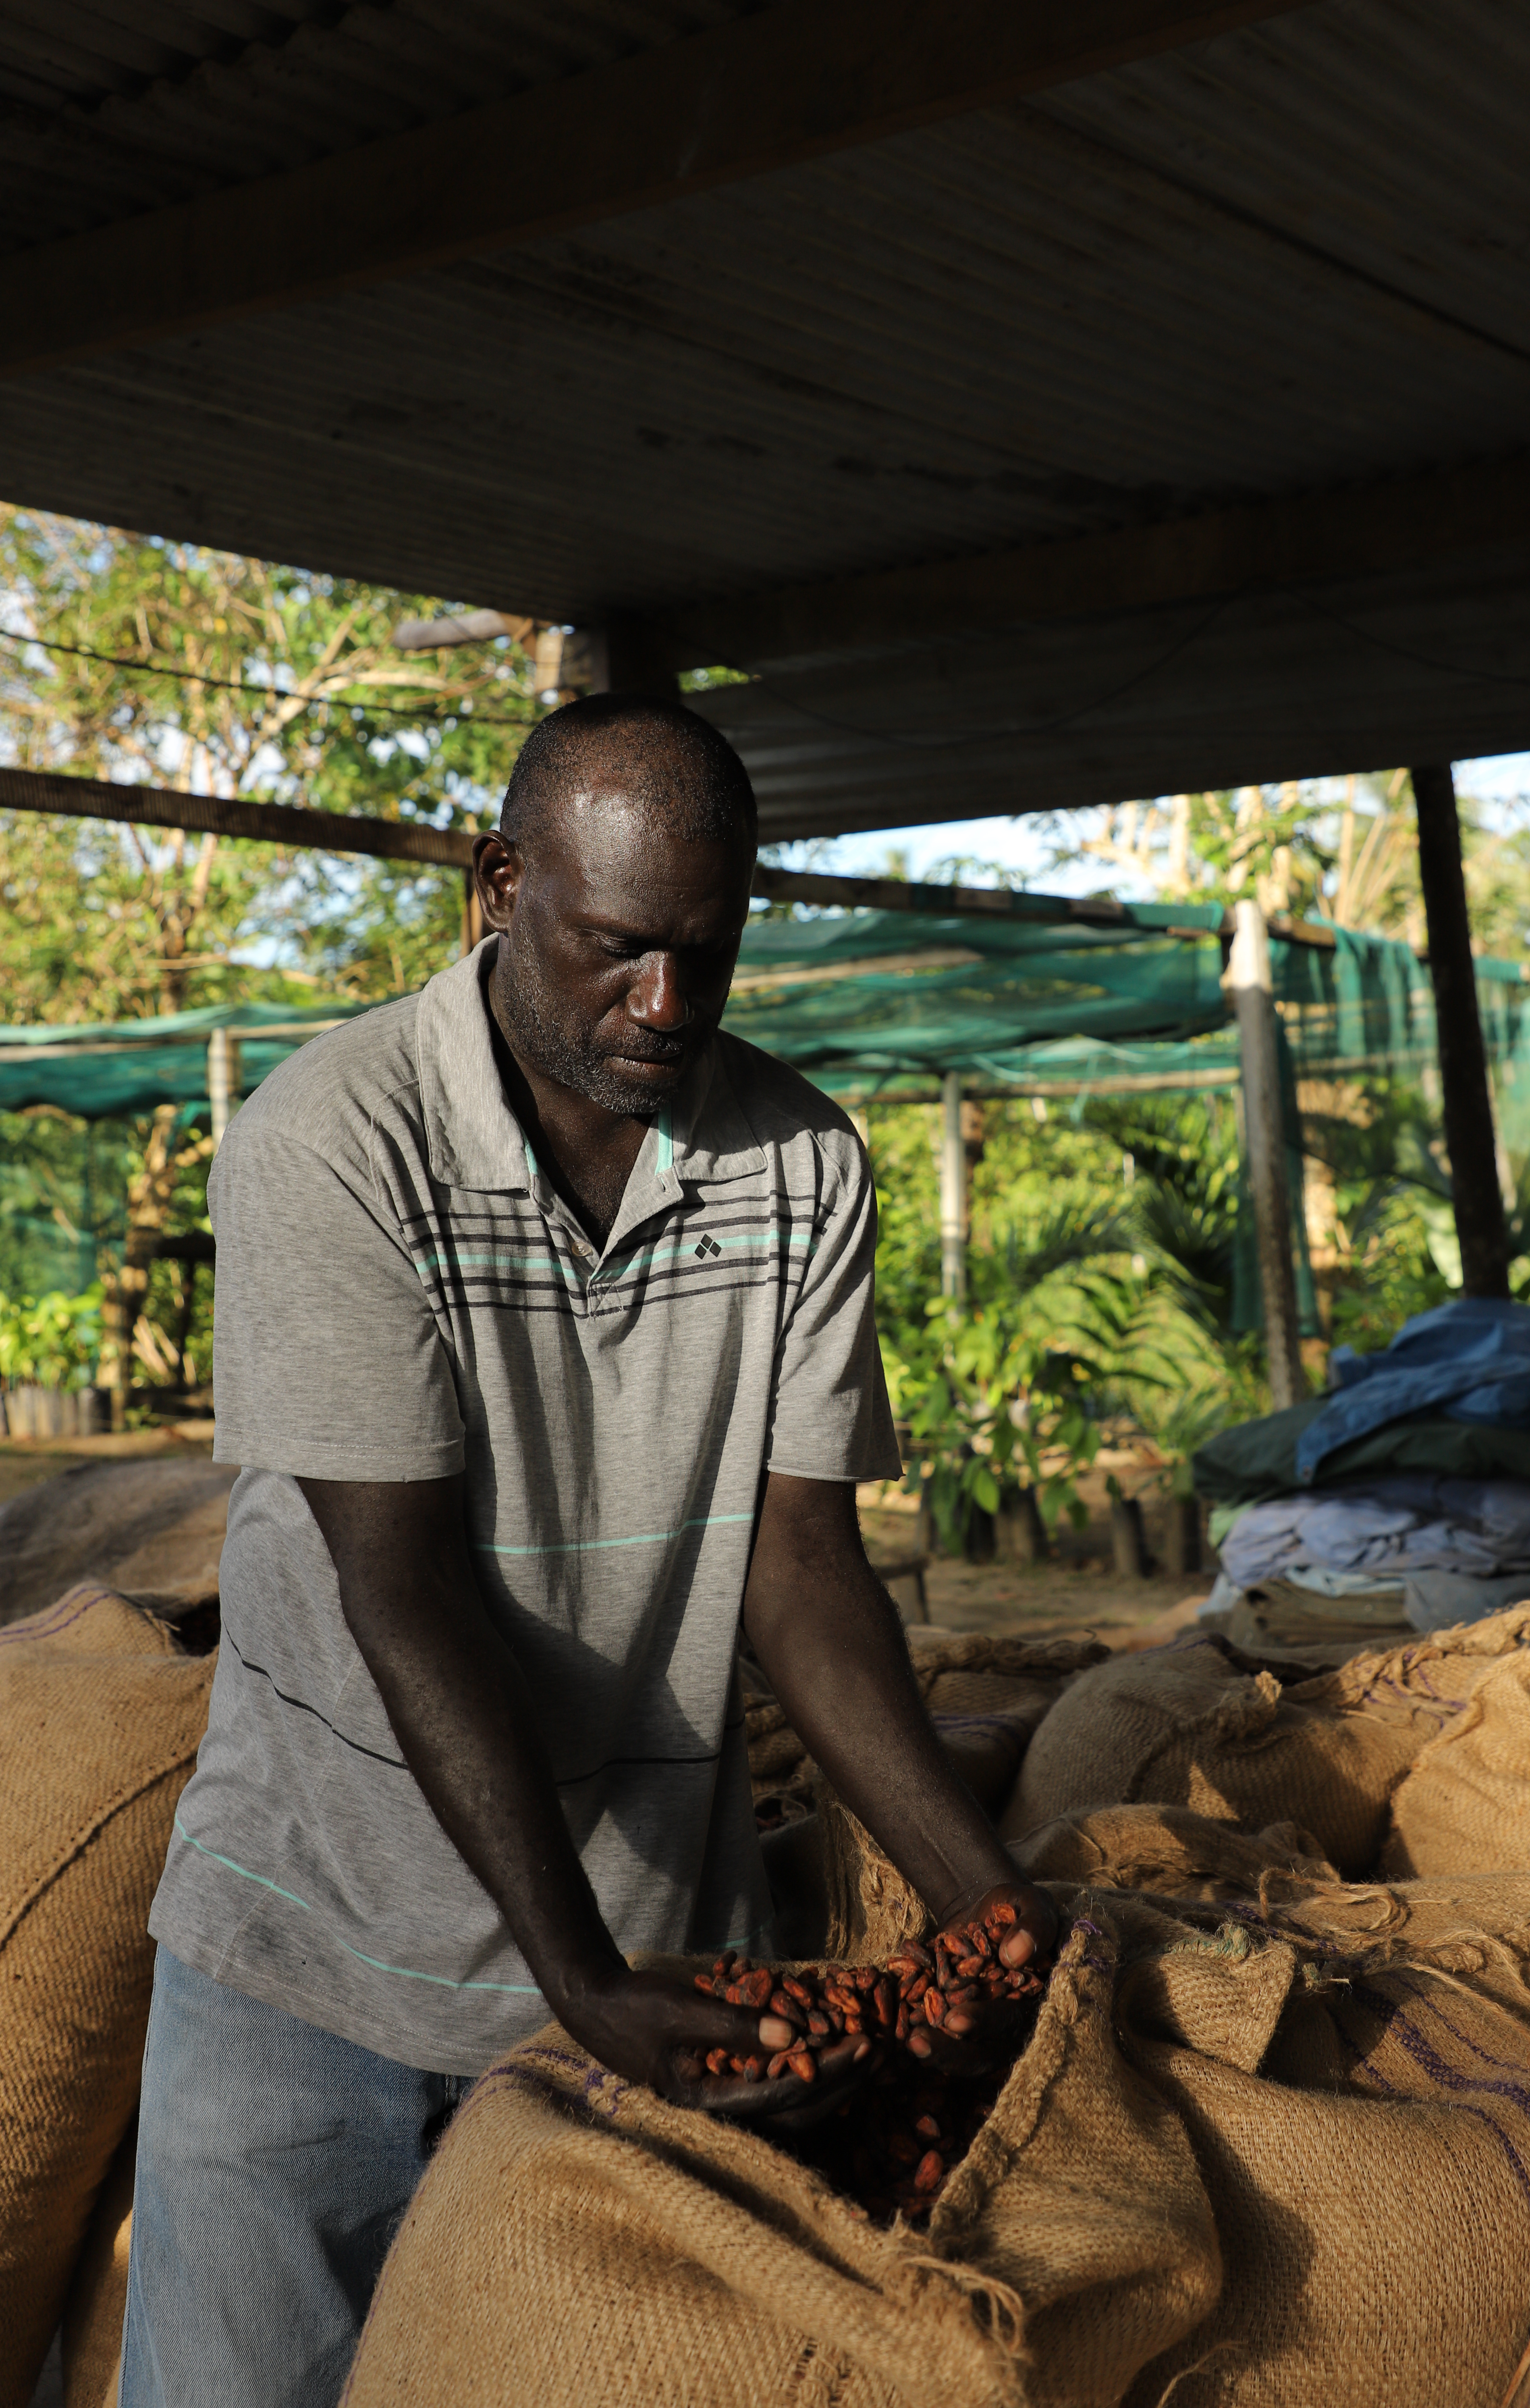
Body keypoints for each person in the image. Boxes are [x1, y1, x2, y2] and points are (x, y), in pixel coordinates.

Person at [120, 695, 1057, 2406]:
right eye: (621, 952)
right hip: (314, 1955)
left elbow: (800, 1576)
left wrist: (983, 1909)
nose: (667, 1008)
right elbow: (395, 1589)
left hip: (661, 1965)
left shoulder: (798, 1169)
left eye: (707, 956)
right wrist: (572, 1973)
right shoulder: (336, 1144)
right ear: (498, 885)